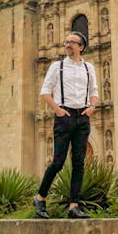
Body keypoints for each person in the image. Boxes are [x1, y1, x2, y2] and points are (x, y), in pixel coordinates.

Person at [34, 30, 99, 219]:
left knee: (79, 163)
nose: (68, 45)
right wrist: (58, 110)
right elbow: (45, 92)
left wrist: (92, 106)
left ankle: (73, 206)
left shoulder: (89, 68)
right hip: (64, 116)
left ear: (81, 47)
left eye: (72, 42)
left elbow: (94, 91)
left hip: (83, 117)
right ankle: (40, 198)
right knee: (58, 162)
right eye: (66, 42)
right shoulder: (57, 66)